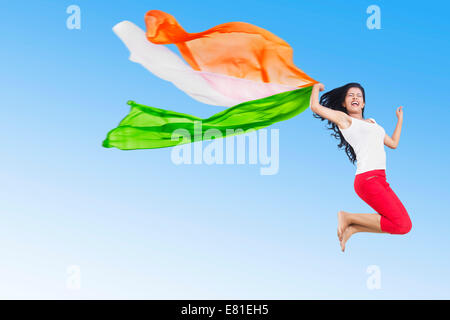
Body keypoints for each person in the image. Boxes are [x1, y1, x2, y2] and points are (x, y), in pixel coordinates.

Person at [310, 82, 412, 252]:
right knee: (401, 224)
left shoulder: (372, 122)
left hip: (380, 180)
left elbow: (393, 143)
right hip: (368, 180)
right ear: (344, 103)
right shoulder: (345, 120)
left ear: (363, 103)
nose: (355, 97)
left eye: (359, 95)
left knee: (404, 226)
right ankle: (347, 216)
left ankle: (354, 228)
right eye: (350, 95)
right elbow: (315, 106)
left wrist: (400, 120)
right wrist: (315, 88)